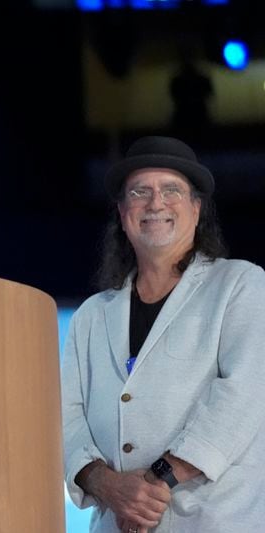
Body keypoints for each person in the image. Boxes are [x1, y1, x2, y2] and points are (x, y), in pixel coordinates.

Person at [61, 136, 265, 532]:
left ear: (195, 207)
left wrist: (155, 480)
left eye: (171, 190)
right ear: (123, 212)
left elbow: (244, 395)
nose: (155, 203)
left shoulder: (241, 284)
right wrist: (109, 486)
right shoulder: (91, 315)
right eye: (140, 192)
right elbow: (66, 417)